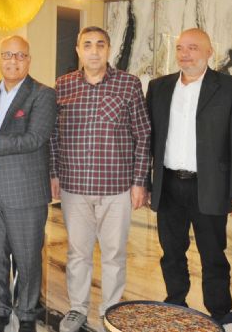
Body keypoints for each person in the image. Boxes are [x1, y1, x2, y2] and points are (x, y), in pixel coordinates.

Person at [146, 28, 232, 320]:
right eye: (180, 48)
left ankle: (219, 313)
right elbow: (148, 139)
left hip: (210, 185)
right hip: (168, 184)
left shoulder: (231, 88)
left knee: (213, 255)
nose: (185, 54)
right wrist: (146, 183)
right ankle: (175, 303)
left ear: (209, 52)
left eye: (193, 48)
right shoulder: (159, 87)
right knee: (171, 252)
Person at [50, 26, 151, 332]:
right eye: (87, 45)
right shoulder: (63, 85)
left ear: (109, 49)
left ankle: (110, 311)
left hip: (116, 187)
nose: (94, 51)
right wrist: (54, 173)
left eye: (100, 45)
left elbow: (143, 134)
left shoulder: (128, 84)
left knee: (114, 254)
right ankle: (77, 309)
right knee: (77, 253)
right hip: (74, 187)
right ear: (78, 50)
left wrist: (139, 181)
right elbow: (53, 135)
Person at [0, 35, 56, 332]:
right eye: (7, 54)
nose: (13, 61)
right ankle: (0, 310)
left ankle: (28, 313)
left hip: (25, 191)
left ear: (28, 60)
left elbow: (34, 139)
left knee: (27, 256)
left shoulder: (42, 94)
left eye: (20, 55)